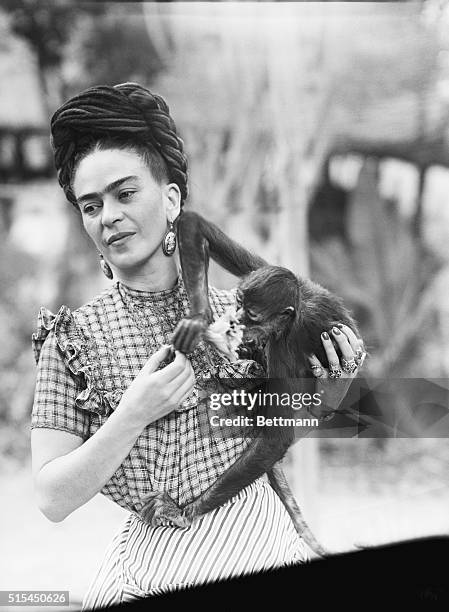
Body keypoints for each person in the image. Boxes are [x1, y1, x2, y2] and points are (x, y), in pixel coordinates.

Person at [30, 82, 363, 609]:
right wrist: (133, 413)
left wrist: (333, 390)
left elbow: (280, 428)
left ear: (171, 199)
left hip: (264, 546)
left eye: (125, 193)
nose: (108, 216)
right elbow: (51, 497)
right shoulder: (72, 341)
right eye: (90, 205)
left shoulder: (248, 314)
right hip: (151, 574)